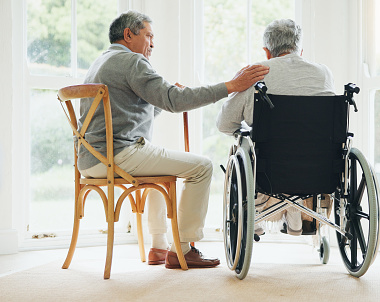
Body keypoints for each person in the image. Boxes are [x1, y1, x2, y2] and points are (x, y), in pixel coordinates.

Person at [78, 10, 269, 269]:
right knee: (202, 167)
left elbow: (139, 109)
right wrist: (231, 86)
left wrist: (167, 99)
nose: (153, 44)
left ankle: (158, 246)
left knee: (160, 169)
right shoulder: (132, 62)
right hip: (120, 154)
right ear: (128, 34)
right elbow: (174, 102)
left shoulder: (100, 63)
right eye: (149, 36)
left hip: (90, 160)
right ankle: (183, 248)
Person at [216, 19, 335, 236]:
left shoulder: (255, 74)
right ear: (300, 50)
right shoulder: (323, 73)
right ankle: (298, 212)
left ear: (266, 52)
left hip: (269, 171)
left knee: (246, 140)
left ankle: (261, 214)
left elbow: (224, 124)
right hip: (319, 171)